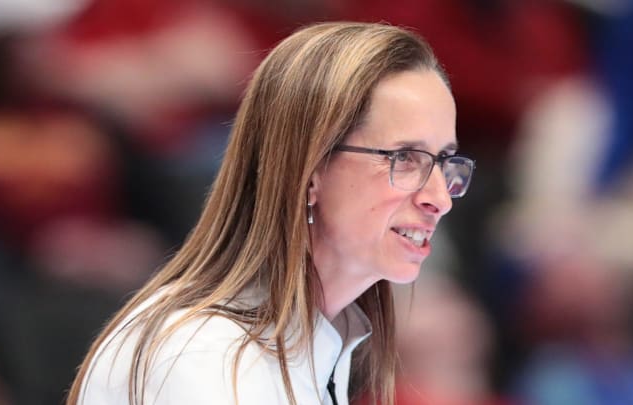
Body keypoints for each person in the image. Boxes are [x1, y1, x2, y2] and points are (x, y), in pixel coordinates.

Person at [66, 21, 474, 405]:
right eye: (405, 158)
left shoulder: (312, 344)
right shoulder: (205, 354)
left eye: (444, 161)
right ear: (308, 168)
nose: (440, 198)